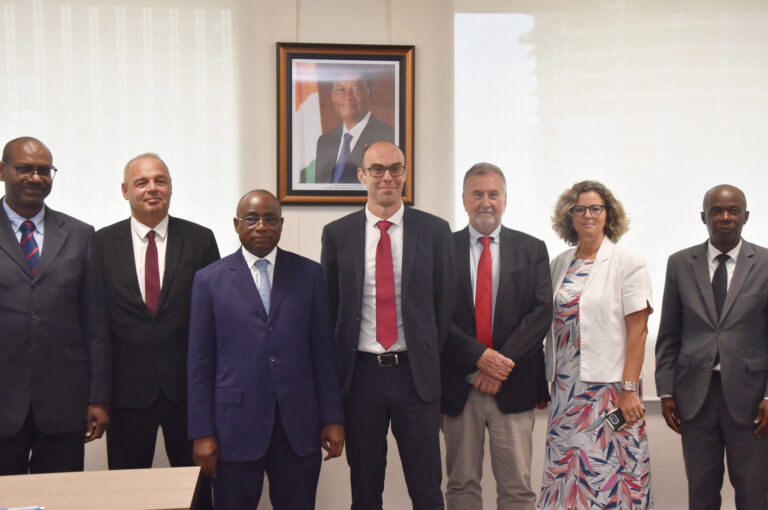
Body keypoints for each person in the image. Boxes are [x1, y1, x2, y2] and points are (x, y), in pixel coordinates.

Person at [187, 190, 345, 510]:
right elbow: (200, 363)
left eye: (270, 219)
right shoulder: (209, 280)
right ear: (236, 224)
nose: (261, 226)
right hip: (233, 430)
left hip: (297, 428)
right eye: (252, 218)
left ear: (281, 224)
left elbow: (323, 354)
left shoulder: (310, 274)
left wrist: (332, 417)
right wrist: (202, 433)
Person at [321, 140, 455, 509]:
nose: (387, 177)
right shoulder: (337, 234)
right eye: (377, 169)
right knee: (365, 489)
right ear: (362, 176)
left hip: (415, 376)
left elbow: (445, 306)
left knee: (427, 489)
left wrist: (427, 353)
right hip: (361, 378)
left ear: (405, 174)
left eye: (395, 168)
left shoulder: (434, 231)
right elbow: (331, 309)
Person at [96, 153, 219, 469]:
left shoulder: (200, 240)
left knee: (197, 489)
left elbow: (215, 321)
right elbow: (96, 324)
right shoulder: (100, 243)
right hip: (126, 395)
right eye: (142, 182)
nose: (152, 188)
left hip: (187, 394)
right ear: (125, 191)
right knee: (128, 492)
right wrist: (98, 396)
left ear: (171, 187)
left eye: (160, 181)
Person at [441, 163, 552, 510]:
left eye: (493, 194)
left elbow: (540, 313)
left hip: (514, 383)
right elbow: (434, 315)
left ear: (505, 199)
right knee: (461, 484)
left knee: (518, 487)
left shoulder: (532, 248)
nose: (485, 202)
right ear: (463, 200)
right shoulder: (442, 248)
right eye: (477, 194)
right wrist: (479, 357)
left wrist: (497, 365)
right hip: (460, 384)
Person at [538, 180, 653, 509]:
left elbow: (639, 331)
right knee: (567, 481)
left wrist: (629, 389)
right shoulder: (560, 263)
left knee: (611, 479)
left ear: (608, 214)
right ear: (569, 216)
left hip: (611, 393)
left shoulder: (628, 262)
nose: (587, 214)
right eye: (579, 209)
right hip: (566, 393)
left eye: (595, 208)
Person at [0, 136, 110, 474]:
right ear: (2, 171)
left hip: (64, 403)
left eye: (44, 171)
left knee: (62, 500)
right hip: (3, 401)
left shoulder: (80, 234)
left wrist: (98, 398)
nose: (36, 177)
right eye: (25, 169)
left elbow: (96, 325)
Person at [655, 184, 768, 510]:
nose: (725, 217)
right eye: (716, 211)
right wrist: (665, 391)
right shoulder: (679, 263)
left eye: (733, 210)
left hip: (751, 401)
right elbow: (669, 334)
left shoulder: (764, 262)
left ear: (745, 216)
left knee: (753, 493)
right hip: (695, 398)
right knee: (702, 493)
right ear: (704, 216)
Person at [314, 67, 394, 184]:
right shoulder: (324, 142)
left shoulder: (389, 137)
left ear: (369, 92)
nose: (348, 96)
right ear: (332, 95)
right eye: (341, 89)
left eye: (356, 89)